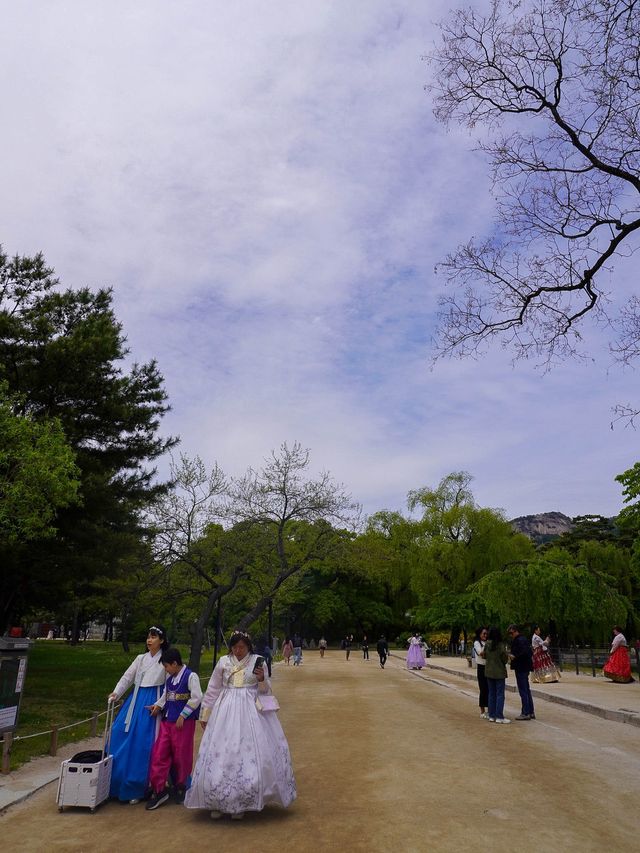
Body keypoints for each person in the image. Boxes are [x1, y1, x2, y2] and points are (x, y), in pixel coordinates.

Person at [185, 630, 296, 820]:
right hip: (225, 709)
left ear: (249, 647)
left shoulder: (258, 661)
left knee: (248, 752)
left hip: (250, 710)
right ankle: (217, 800)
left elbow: (265, 690)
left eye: (242, 647)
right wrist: (205, 714)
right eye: (235, 647)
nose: (238, 651)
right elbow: (213, 689)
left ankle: (244, 799)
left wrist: (261, 679)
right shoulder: (223, 662)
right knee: (220, 752)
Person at [108, 625, 168, 803]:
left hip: (153, 700)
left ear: (162, 640)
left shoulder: (165, 659)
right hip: (135, 700)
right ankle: (116, 781)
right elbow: (128, 676)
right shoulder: (140, 658)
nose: (149, 640)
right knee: (121, 734)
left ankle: (141, 785)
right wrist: (116, 692)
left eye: (154, 637)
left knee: (145, 742)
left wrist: (160, 704)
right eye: (148, 637)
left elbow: (169, 684)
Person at [146, 648, 202, 809]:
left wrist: (183, 715)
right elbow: (166, 696)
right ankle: (159, 789)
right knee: (159, 753)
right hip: (167, 721)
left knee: (181, 754)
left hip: (183, 724)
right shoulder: (170, 680)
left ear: (175, 663)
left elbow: (197, 697)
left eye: (166, 666)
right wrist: (157, 706)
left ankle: (181, 786)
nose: (166, 670)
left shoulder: (190, 676)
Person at [483, 627, 511, 724]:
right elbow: (504, 659)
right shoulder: (501, 645)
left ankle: (491, 715)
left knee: (491, 693)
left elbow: (484, 655)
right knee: (500, 695)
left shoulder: (487, 644)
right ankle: (499, 716)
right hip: (499, 672)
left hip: (489, 671)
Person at [508, 624, 535, 720]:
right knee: (526, 690)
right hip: (524, 667)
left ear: (515, 631)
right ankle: (530, 711)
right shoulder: (523, 639)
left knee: (523, 690)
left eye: (511, 633)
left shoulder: (519, 640)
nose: (510, 635)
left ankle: (526, 712)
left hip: (521, 667)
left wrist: (514, 656)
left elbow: (524, 653)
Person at [473, 626, 489, 718]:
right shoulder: (477, 643)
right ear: (479, 634)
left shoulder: (487, 642)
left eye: (486, 634)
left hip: (488, 667)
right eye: (484, 634)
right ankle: (482, 710)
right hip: (481, 667)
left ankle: (490, 708)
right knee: (483, 689)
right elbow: (480, 653)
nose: (485, 635)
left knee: (489, 689)